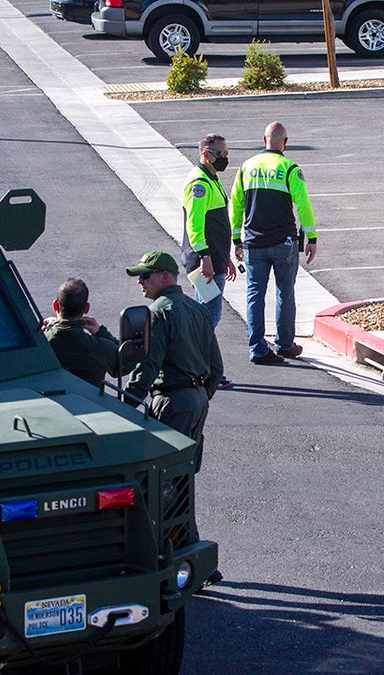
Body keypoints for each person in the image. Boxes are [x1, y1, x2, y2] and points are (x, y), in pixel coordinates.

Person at [229, 121, 317, 364]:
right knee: (285, 293)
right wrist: (312, 237)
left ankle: (257, 348)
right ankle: (285, 345)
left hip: (253, 243)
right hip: (283, 243)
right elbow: (303, 206)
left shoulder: (247, 167)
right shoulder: (290, 168)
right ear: (285, 143)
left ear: (263, 139)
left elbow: (235, 205)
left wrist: (236, 239)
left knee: (254, 294)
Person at [124, 251, 224, 463]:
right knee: (183, 473)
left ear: (165, 276)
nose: (139, 282)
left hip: (173, 401)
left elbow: (148, 365)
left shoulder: (157, 312)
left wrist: (125, 404)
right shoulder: (199, 310)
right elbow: (216, 368)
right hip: (198, 401)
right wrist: (201, 395)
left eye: (145, 276)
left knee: (161, 472)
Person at [183, 132, 236, 390]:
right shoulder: (199, 184)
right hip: (203, 263)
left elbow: (218, 225)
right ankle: (200, 369)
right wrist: (205, 258)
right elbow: (195, 226)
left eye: (226, 154)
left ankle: (200, 367)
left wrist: (225, 257)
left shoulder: (211, 179)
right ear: (206, 154)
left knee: (207, 315)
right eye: (220, 154)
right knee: (207, 316)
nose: (225, 158)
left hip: (214, 259)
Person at [42, 277, 121, 389]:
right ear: (86, 308)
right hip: (91, 405)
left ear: (55, 305)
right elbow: (124, 361)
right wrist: (100, 332)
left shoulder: (42, 343)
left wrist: (48, 329)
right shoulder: (99, 347)